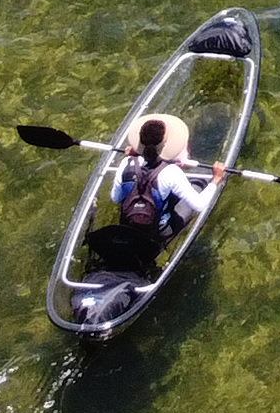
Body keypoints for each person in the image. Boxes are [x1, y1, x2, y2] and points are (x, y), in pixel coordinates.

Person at [75, 113, 221, 305]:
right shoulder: (171, 172)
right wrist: (216, 179)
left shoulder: (127, 163)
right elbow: (200, 205)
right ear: (165, 145)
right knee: (199, 183)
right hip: (156, 233)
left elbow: (115, 198)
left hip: (127, 229)